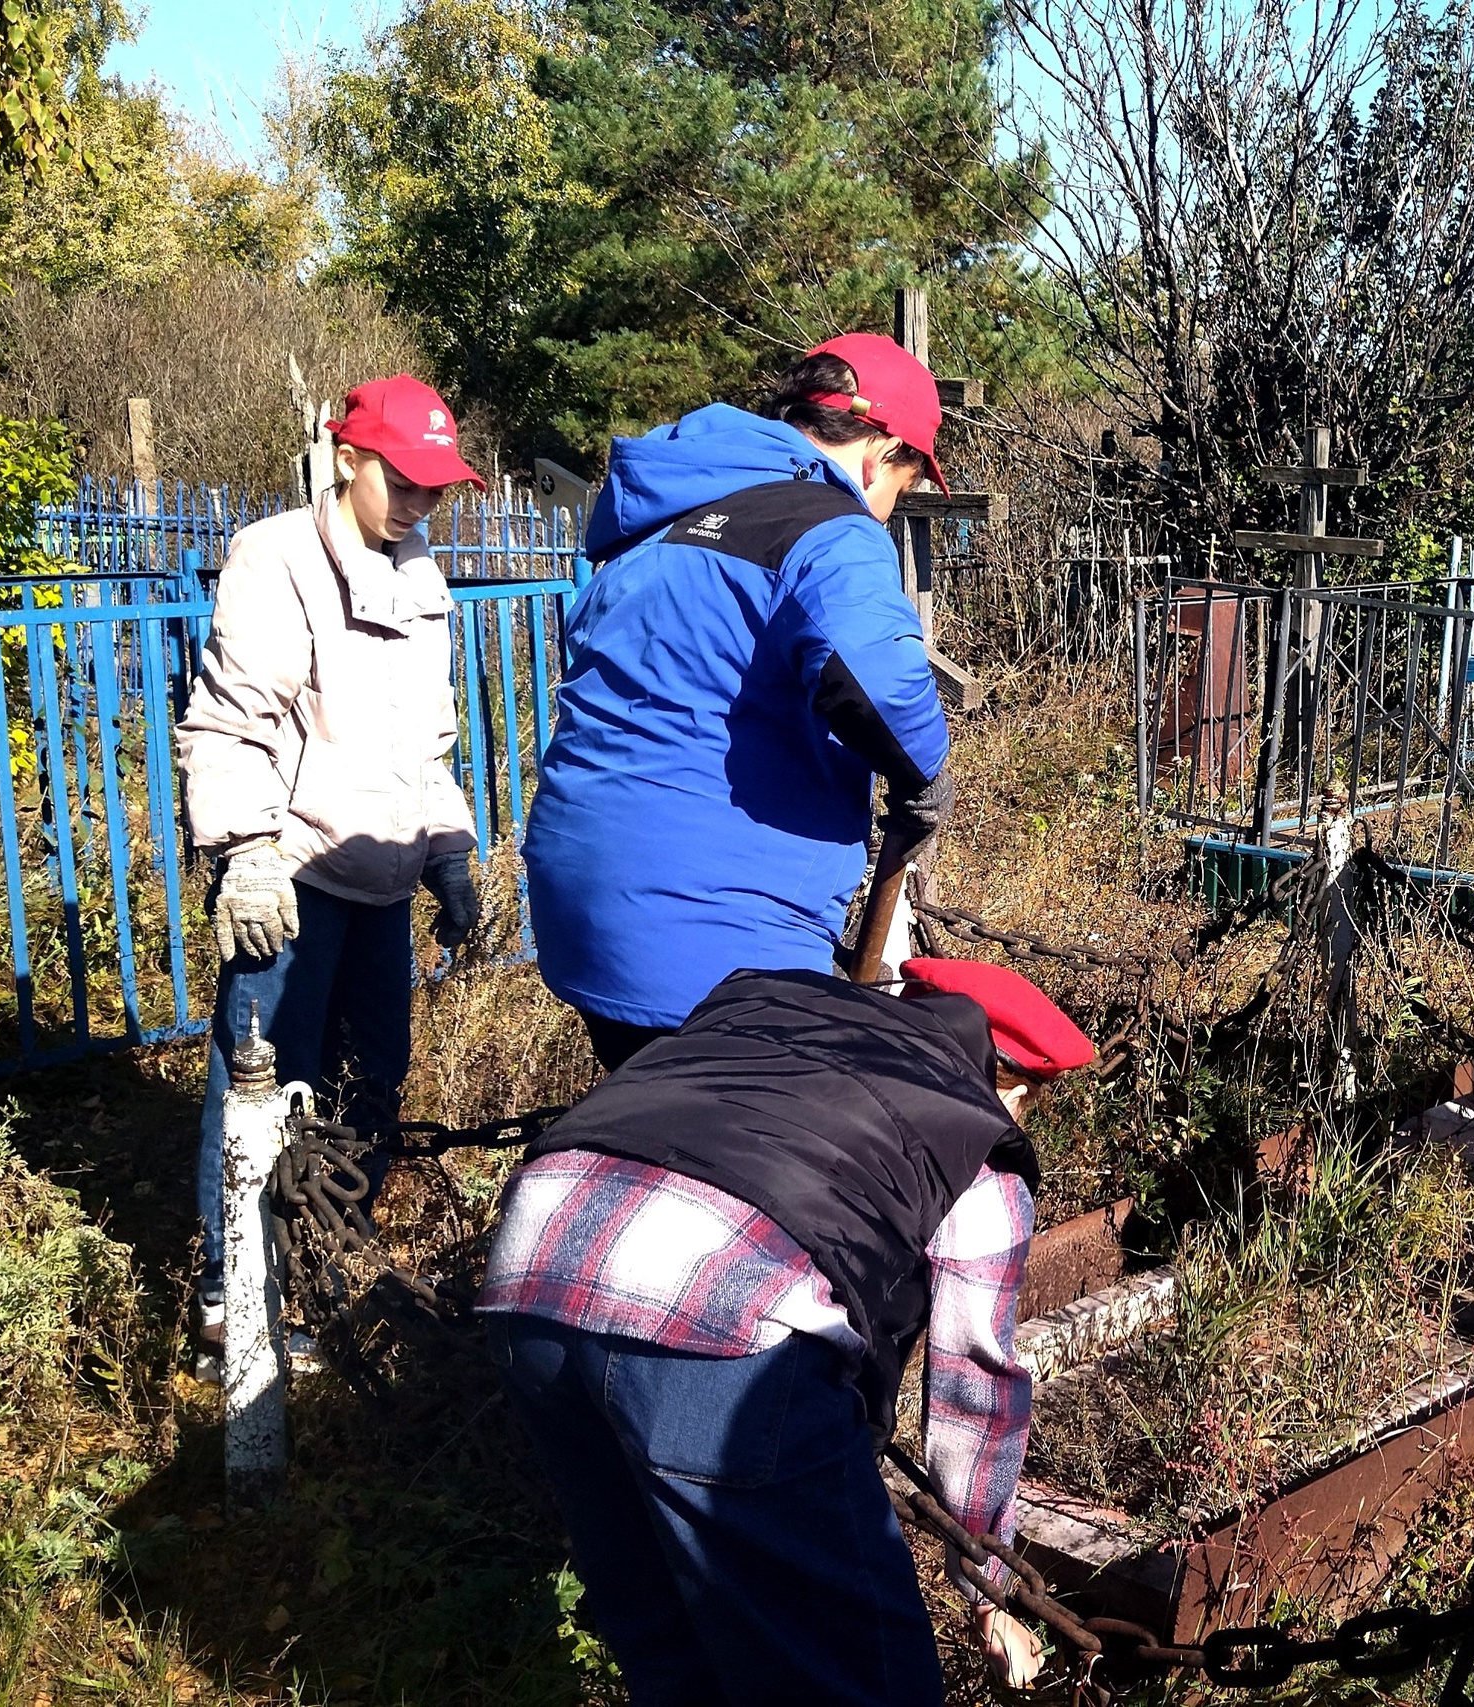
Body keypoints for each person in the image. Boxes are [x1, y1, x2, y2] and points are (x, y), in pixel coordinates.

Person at [475, 955, 1085, 1705]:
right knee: (866, 1679)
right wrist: (988, 1587)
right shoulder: (972, 1134)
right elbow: (974, 1388)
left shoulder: (771, 1013)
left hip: (528, 1275)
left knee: (668, 1644)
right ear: (1014, 1082)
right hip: (719, 1334)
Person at [524, 335, 954, 1071]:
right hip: (711, 935)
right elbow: (875, 685)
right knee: (745, 1163)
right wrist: (926, 772)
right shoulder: (832, 529)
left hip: (581, 907)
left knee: (651, 1144)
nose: (885, 512)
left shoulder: (662, 519)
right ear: (880, 450)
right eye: (902, 490)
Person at [176, 374, 485, 1366]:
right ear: (345, 456)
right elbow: (231, 722)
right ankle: (236, 1292)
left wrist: (447, 852)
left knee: (371, 1084)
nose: (418, 500)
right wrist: (244, 856)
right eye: (402, 478)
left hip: (382, 876)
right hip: (295, 871)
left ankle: (330, 1261)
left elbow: (423, 744)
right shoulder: (276, 557)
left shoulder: (420, 573)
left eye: (435, 486)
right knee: (265, 1089)